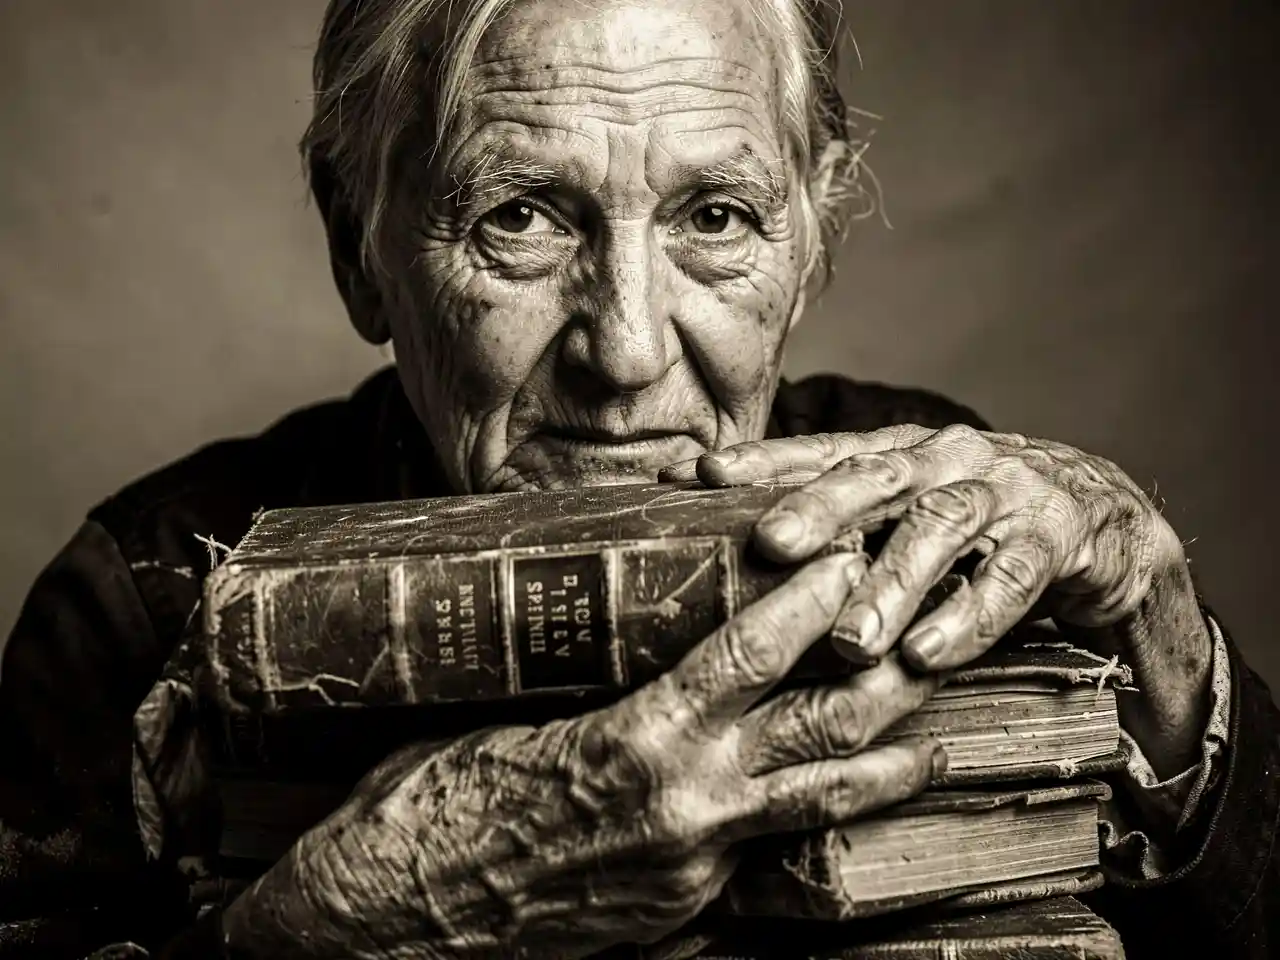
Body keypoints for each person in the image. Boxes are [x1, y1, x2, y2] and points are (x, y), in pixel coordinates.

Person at [1, 0, 1275, 956]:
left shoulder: (957, 507)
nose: (623, 352)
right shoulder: (148, 596)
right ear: (357, 245)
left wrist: (1158, 622)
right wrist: (327, 927)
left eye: (714, 217)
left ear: (814, 230)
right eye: (520, 216)